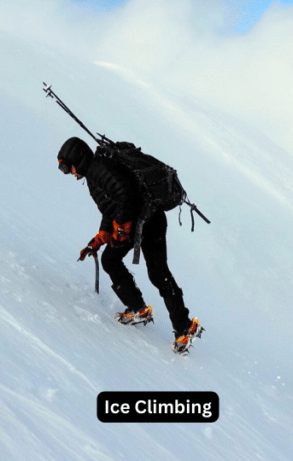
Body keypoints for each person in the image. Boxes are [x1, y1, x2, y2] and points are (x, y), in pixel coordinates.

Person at [56, 137, 201, 353]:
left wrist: (122, 229)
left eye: (67, 168)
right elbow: (110, 207)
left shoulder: (98, 170)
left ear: (77, 160)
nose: (70, 173)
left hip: (146, 221)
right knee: (143, 269)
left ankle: (165, 319)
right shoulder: (95, 174)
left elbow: (126, 195)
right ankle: (164, 319)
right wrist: (100, 238)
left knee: (129, 265)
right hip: (146, 219)